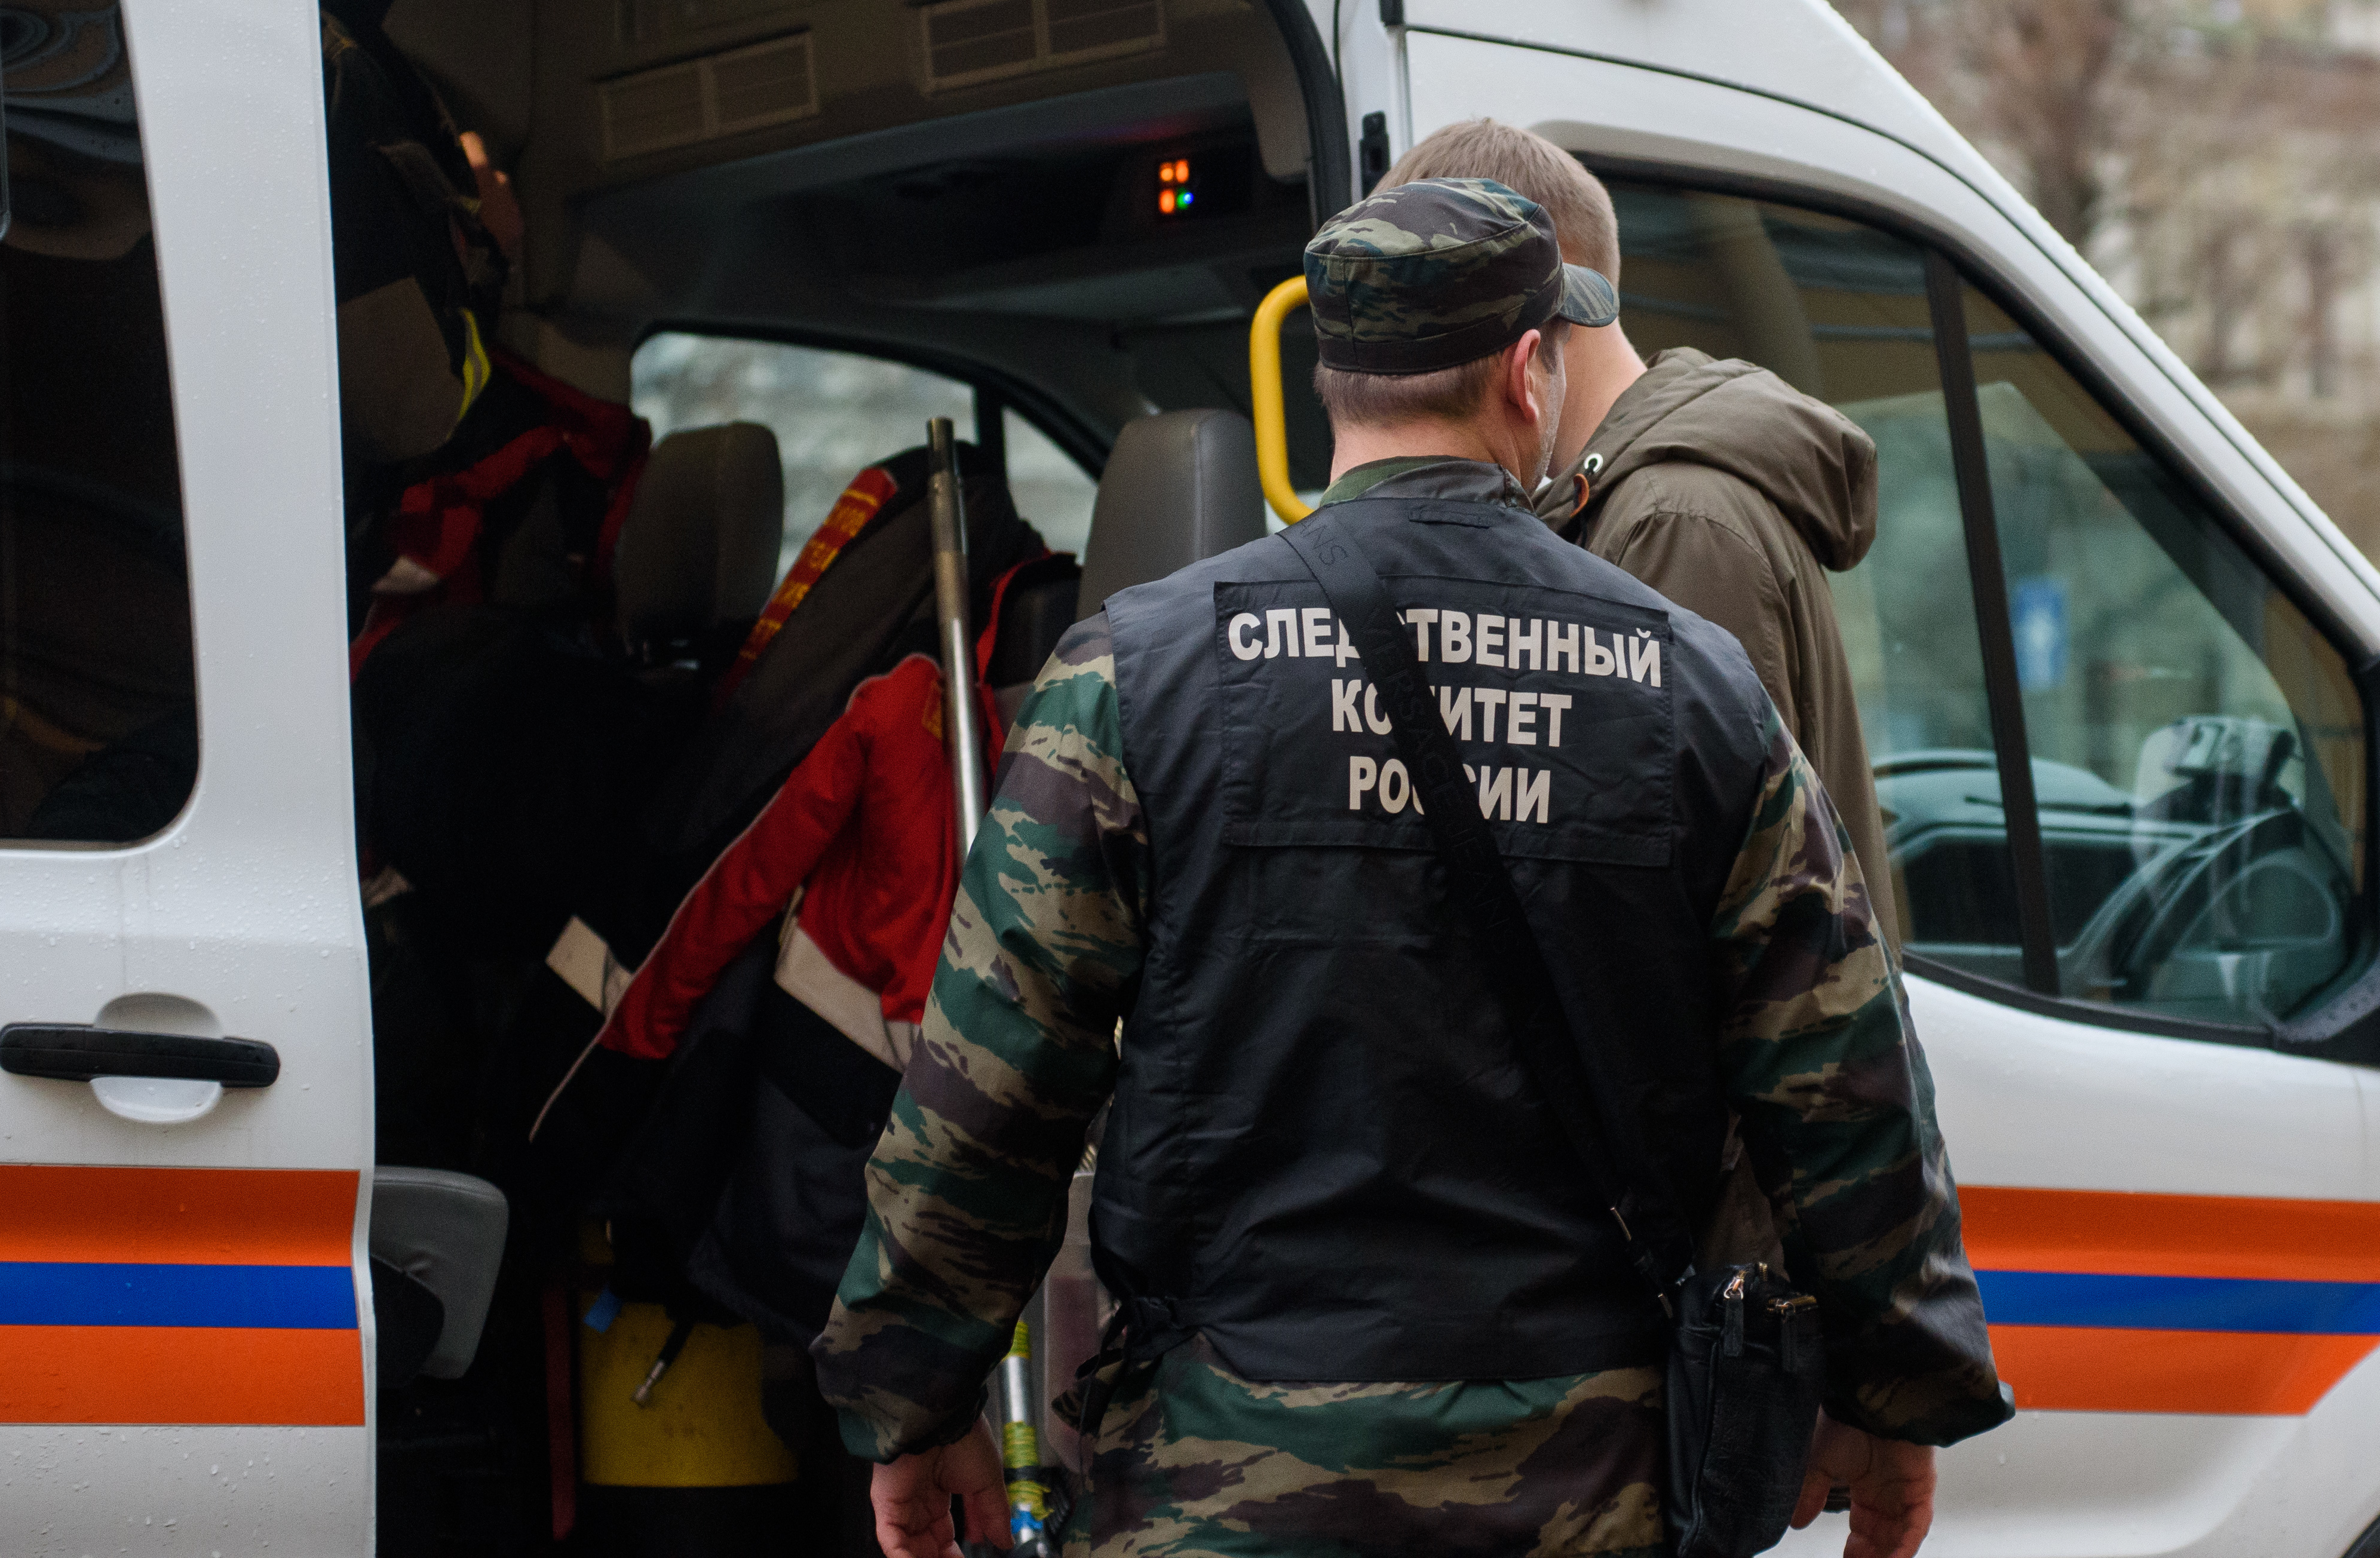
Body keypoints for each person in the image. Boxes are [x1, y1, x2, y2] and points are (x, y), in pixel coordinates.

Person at [814, 178, 2007, 1558]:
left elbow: (987, 1085)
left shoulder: (1137, 677)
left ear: (1330, 385)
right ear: (1526, 368)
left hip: (1227, 1478)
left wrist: (913, 1390)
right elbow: (1844, 1081)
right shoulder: (1689, 686)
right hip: (1589, 1483)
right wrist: (1893, 1392)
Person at [1380, 121, 1898, 936]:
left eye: (1446, 320)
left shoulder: (1673, 521)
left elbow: (1688, 898)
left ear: (1549, 300)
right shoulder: (1628, 500)